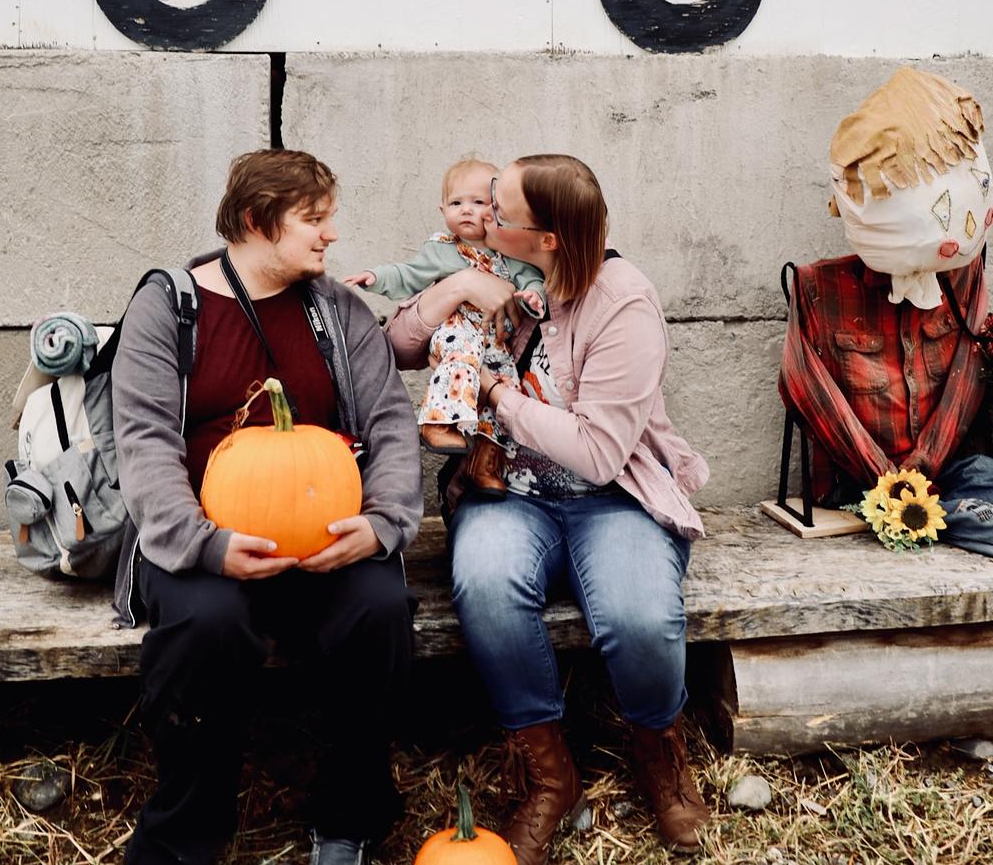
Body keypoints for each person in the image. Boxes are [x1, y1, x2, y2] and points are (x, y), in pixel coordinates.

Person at [386, 154, 712, 859]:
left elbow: (597, 453)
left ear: (549, 238)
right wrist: (457, 287)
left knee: (639, 616)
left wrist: (496, 395)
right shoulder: (485, 265)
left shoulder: (622, 301)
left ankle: (658, 751)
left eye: (500, 212)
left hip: (613, 497)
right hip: (506, 491)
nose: (484, 215)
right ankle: (548, 774)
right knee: (486, 585)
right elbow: (399, 345)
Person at [110, 149, 422, 865]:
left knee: (379, 610)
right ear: (257, 221)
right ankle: (185, 835)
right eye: (314, 220)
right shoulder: (170, 308)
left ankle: (349, 818)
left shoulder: (338, 311)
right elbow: (145, 442)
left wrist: (381, 525)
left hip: (327, 536)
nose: (331, 234)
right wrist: (204, 544)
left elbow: (390, 423)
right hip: (203, 539)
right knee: (207, 624)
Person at [780, 66, 993, 549]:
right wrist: (892, 488)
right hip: (857, 483)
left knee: (981, 488)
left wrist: (920, 477)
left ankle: (955, 515)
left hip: (952, 474)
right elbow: (806, 390)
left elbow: (967, 377)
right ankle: (954, 517)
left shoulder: (964, 277)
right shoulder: (819, 288)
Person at [345, 157, 545, 496]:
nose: (466, 210)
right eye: (456, 203)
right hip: (457, 329)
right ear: (442, 209)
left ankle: (485, 460)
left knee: (506, 388)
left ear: (498, 210)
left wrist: (533, 296)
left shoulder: (510, 253)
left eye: (478, 202)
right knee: (460, 357)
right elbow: (410, 274)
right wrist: (376, 277)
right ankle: (437, 422)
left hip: (496, 341)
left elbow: (531, 280)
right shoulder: (442, 249)